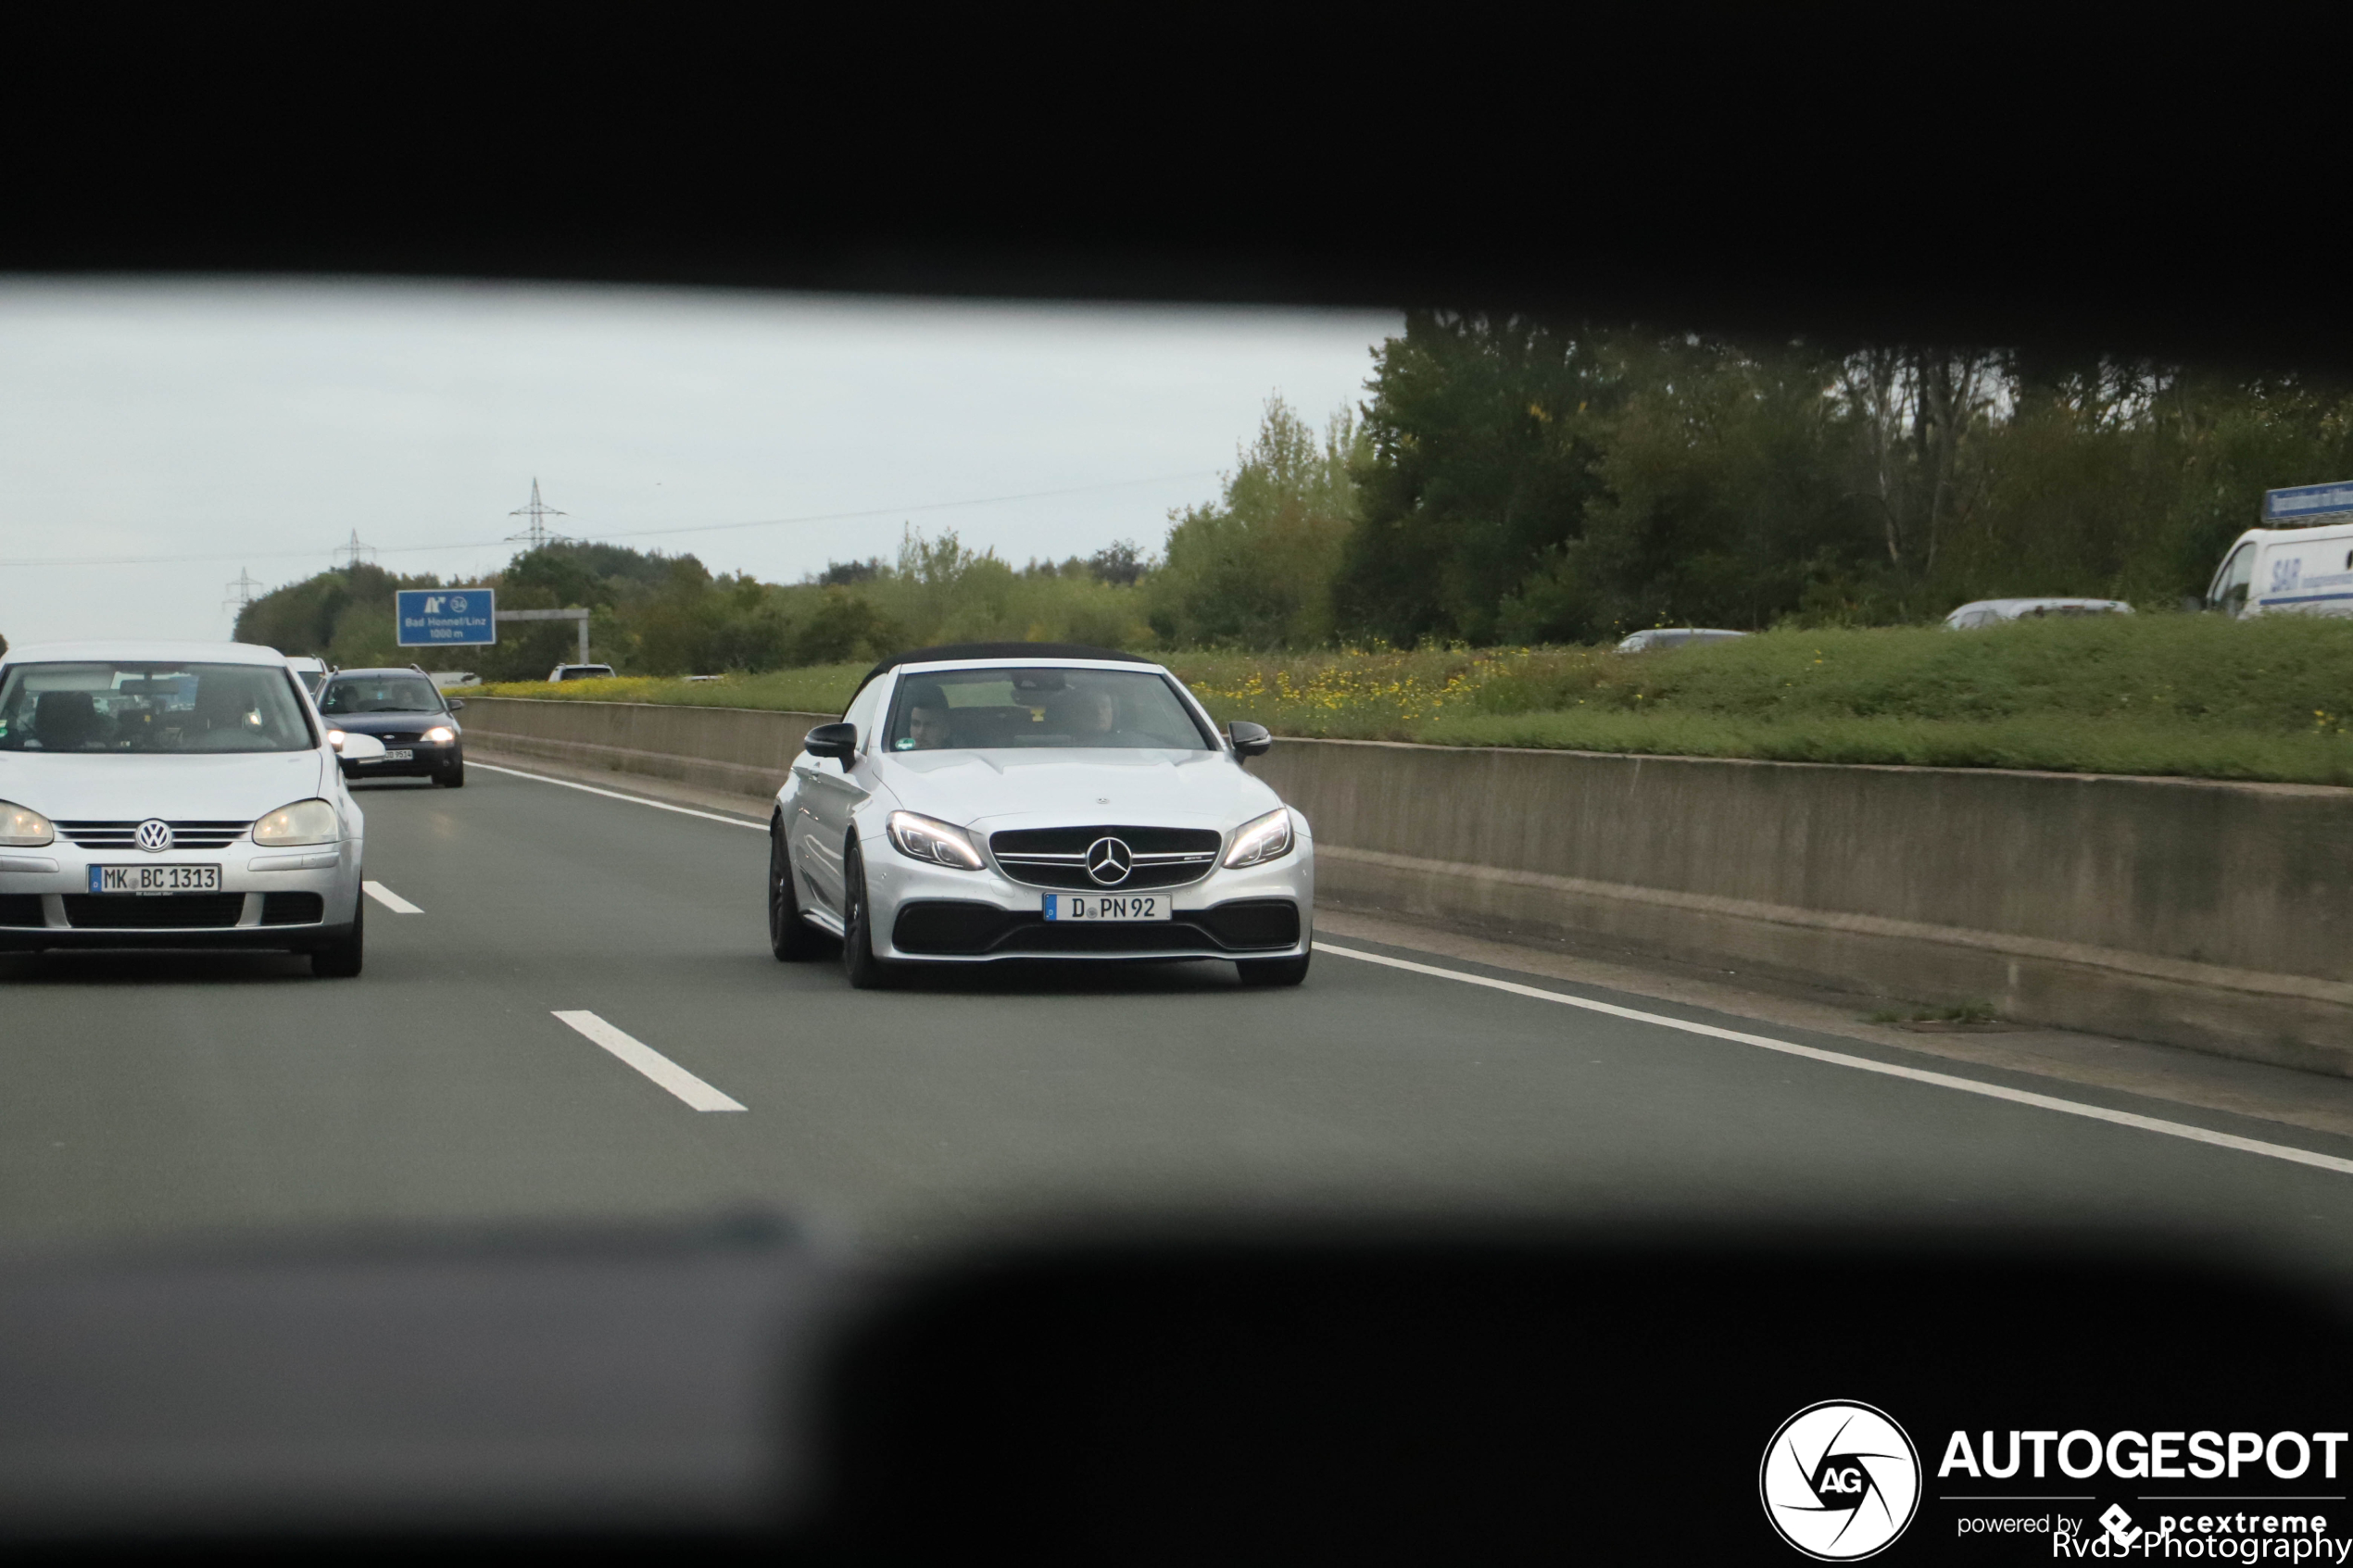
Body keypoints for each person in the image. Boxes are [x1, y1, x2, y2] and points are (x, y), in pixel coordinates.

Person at [902, 685, 953, 750]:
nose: (920, 732)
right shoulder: (892, 755)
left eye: (929, 725)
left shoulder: (957, 758)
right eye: (915, 724)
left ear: (946, 731)